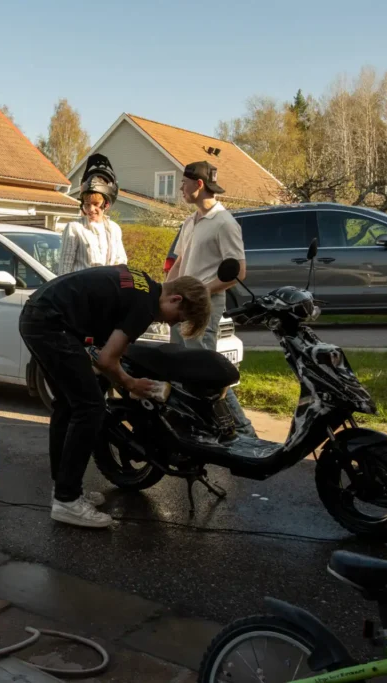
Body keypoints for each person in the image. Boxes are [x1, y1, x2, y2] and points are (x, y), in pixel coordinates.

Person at [20, 264, 211, 528]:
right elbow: (109, 360)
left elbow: (103, 347)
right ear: (175, 298)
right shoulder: (145, 306)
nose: (170, 323)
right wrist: (131, 383)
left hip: (40, 315)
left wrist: (110, 373)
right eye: (176, 318)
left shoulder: (143, 281)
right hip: (50, 324)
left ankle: (64, 490)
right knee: (90, 408)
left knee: (68, 405)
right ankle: (67, 500)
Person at [166, 160, 257, 437]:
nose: (181, 187)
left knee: (205, 369)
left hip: (204, 306)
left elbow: (238, 271)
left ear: (199, 184)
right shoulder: (190, 221)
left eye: (184, 182)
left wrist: (202, 291)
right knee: (179, 367)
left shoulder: (224, 223)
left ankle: (244, 431)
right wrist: (163, 293)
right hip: (182, 303)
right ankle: (191, 425)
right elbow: (181, 262)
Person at [57, 154, 128, 275]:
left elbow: (121, 262)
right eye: (87, 204)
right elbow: (64, 269)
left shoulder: (114, 229)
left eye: (95, 203)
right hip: (82, 291)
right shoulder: (74, 228)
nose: (90, 209)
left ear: (106, 204)